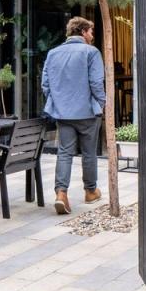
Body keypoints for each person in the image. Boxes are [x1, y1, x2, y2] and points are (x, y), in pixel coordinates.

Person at [41, 15, 105, 214]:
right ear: (83, 32)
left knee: (65, 153)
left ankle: (61, 193)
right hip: (87, 112)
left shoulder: (53, 53)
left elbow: (45, 85)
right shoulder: (91, 52)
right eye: (91, 32)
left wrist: (58, 103)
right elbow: (96, 83)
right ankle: (90, 191)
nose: (92, 36)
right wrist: (101, 103)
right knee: (89, 153)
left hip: (63, 113)